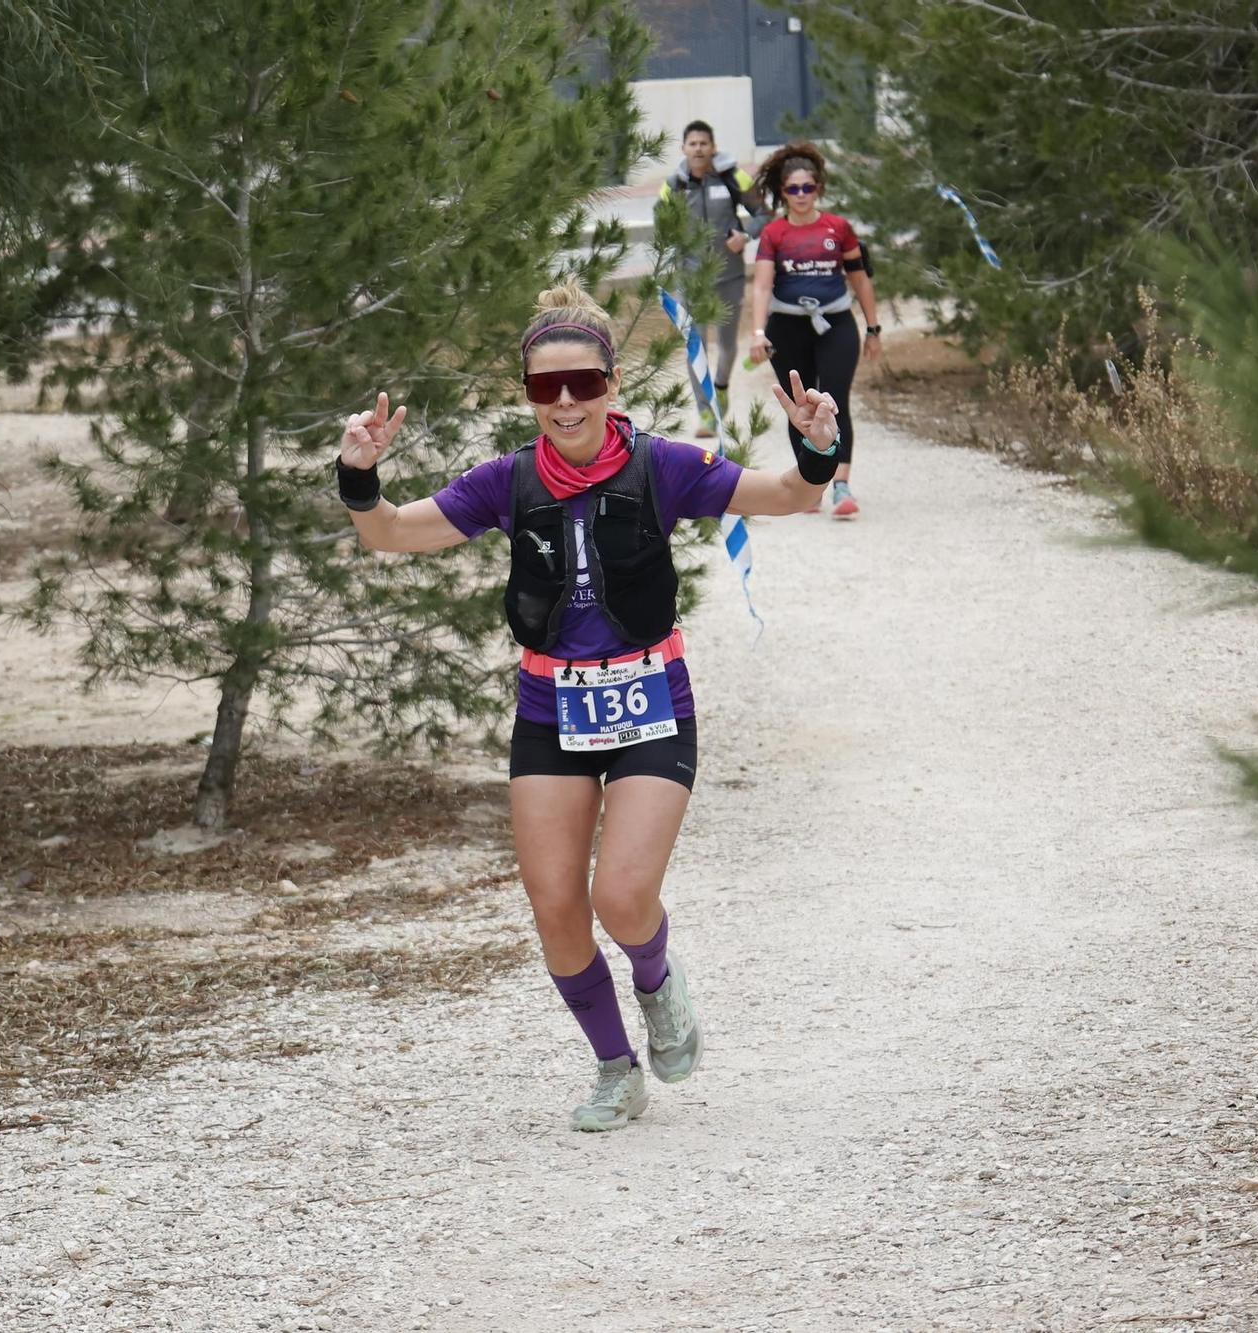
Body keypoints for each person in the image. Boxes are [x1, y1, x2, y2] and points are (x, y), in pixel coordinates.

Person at [335, 283, 843, 1131]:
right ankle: (615, 1067)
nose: (564, 402)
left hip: (651, 699)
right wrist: (359, 471)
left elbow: (791, 496)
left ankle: (656, 977)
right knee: (557, 907)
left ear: (612, 382)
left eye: (581, 383)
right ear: (527, 395)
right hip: (551, 709)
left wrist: (818, 445)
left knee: (623, 897)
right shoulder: (507, 481)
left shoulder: (664, 465)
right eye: (544, 388)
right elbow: (387, 531)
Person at [748, 141, 881, 518]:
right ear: (783, 192)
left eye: (808, 187)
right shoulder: (774, 234)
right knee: (801, 405)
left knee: (834, 401)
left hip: (835, 323)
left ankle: (841, 485)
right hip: (787, 327)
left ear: (819, 188)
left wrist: (873, 327)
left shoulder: (838, 228)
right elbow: (760, 285)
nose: (801, 195)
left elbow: (860, 279)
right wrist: (758, 333)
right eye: (793, 189)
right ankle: (811, 488)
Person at [658, 120, 768, 438]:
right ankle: (705, 413)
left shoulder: (733, 177)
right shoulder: (674, 184)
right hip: (690, 279)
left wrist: (744, 235)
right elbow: (662, 227)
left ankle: (721, 386)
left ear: (713, 147)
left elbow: (763, 214)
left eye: (704, 143)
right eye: (692, 144)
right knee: (696, 346)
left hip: (729, 275)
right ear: (683, 149)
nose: (698, 149)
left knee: (728, 345)